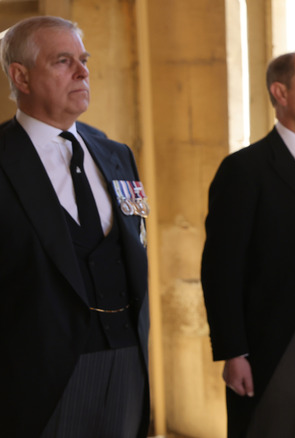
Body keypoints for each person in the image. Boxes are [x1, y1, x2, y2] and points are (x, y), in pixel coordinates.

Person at [0, 16, 150, 437]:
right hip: (35, 377)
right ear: (21, 76)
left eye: (83, 60)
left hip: (126, 361)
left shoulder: (116, 154)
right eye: (63, 61)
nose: (83, 72)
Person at [201, 52, 295, 438]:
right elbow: (221, 269)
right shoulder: (244, 169)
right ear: (279, 92)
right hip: (275, 338)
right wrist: (233, 352)